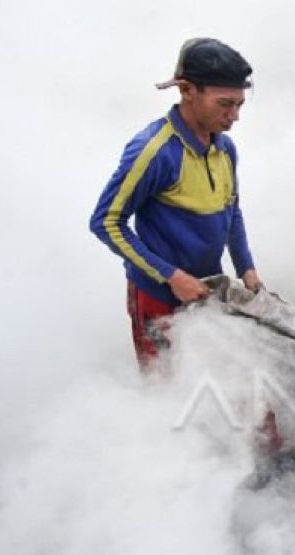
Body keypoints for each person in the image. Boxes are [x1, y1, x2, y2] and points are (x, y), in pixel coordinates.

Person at [90, 37, 263, 370]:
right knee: (170, 397)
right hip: (159, 299)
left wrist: (247, 269)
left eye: (240, 105)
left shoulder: (224, 149)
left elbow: (231, 211)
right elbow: (106, 222)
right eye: (225, 104)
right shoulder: (154, 151)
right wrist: (171, 277)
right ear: (187, 91)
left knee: (235, 387)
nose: (235, 116)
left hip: (209, 292)